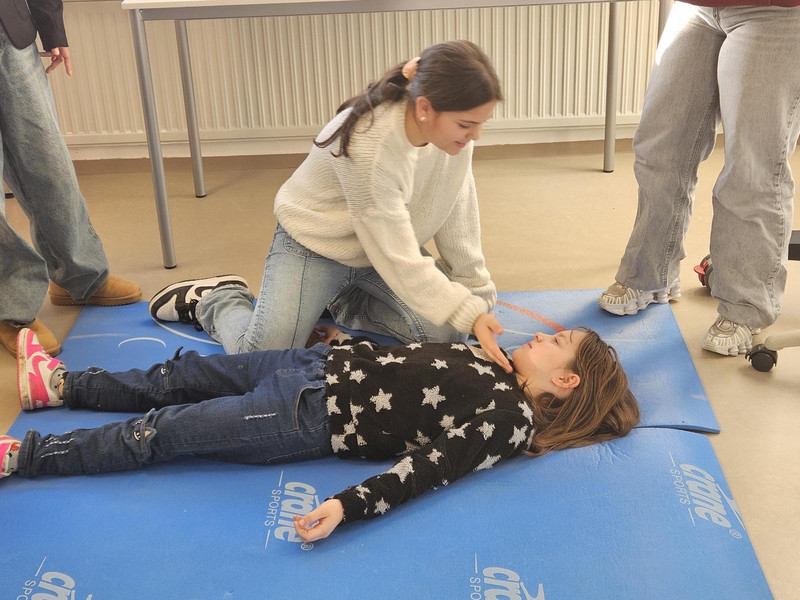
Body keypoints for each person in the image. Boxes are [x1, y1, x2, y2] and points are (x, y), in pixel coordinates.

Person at [2, 321, 639, 543]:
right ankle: (60, 386)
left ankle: (25, 456)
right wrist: (346, 342)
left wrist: (347, 506)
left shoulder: (510, 420)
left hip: (306, 415)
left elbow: (428, 470)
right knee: (183, 375)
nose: (542, 335)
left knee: (163, 431)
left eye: (557, 341)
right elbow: (409, 360)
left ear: (567, 380)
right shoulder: (495, 360)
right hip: (314, 365)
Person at [148, 40, 509, 369]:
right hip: (317, 248)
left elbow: (457, 204)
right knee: (263, 359)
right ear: (425, 108)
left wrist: (476, 297)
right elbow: (398, 257)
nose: (475, 135)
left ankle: (336, 303)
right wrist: (467, 311)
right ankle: (218, 300)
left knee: (447, 336)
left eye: (481, 124)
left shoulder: (453, 135)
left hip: (380, 254)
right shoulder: (370, 143)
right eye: (467, 125)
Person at [598, 2, 800, 356]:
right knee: (659, 147)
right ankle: (651, 275)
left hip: (774, 11)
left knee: (751, 167)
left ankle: (745, 307)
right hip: (696, 8)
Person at [0, 0, 141, 357]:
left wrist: (52, 27)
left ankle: (78, 274)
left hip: (10, 32)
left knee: (48, 162)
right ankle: (10, 308)